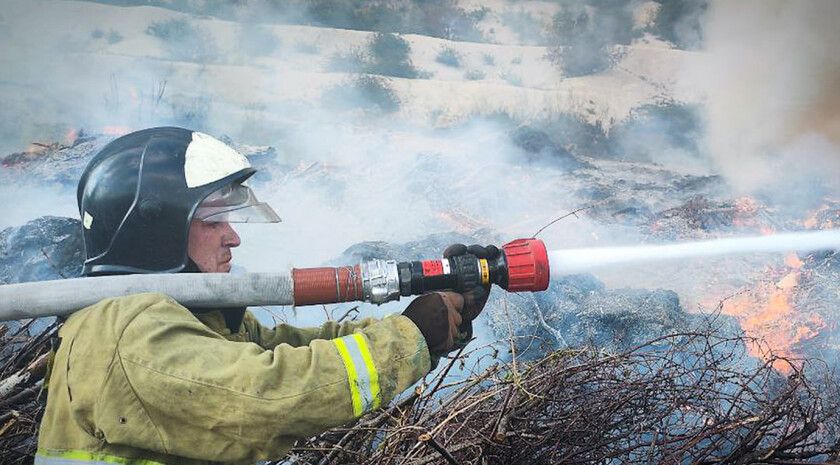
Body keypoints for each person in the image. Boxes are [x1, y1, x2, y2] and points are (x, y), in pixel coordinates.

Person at [35, 127, 495, 465]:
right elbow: (270, 395)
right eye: (213, 221)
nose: (233, 238)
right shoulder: (130, 331)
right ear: (154, 230)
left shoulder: (183, 317)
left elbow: (290, 349)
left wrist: (436, 326)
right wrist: (405, 337)